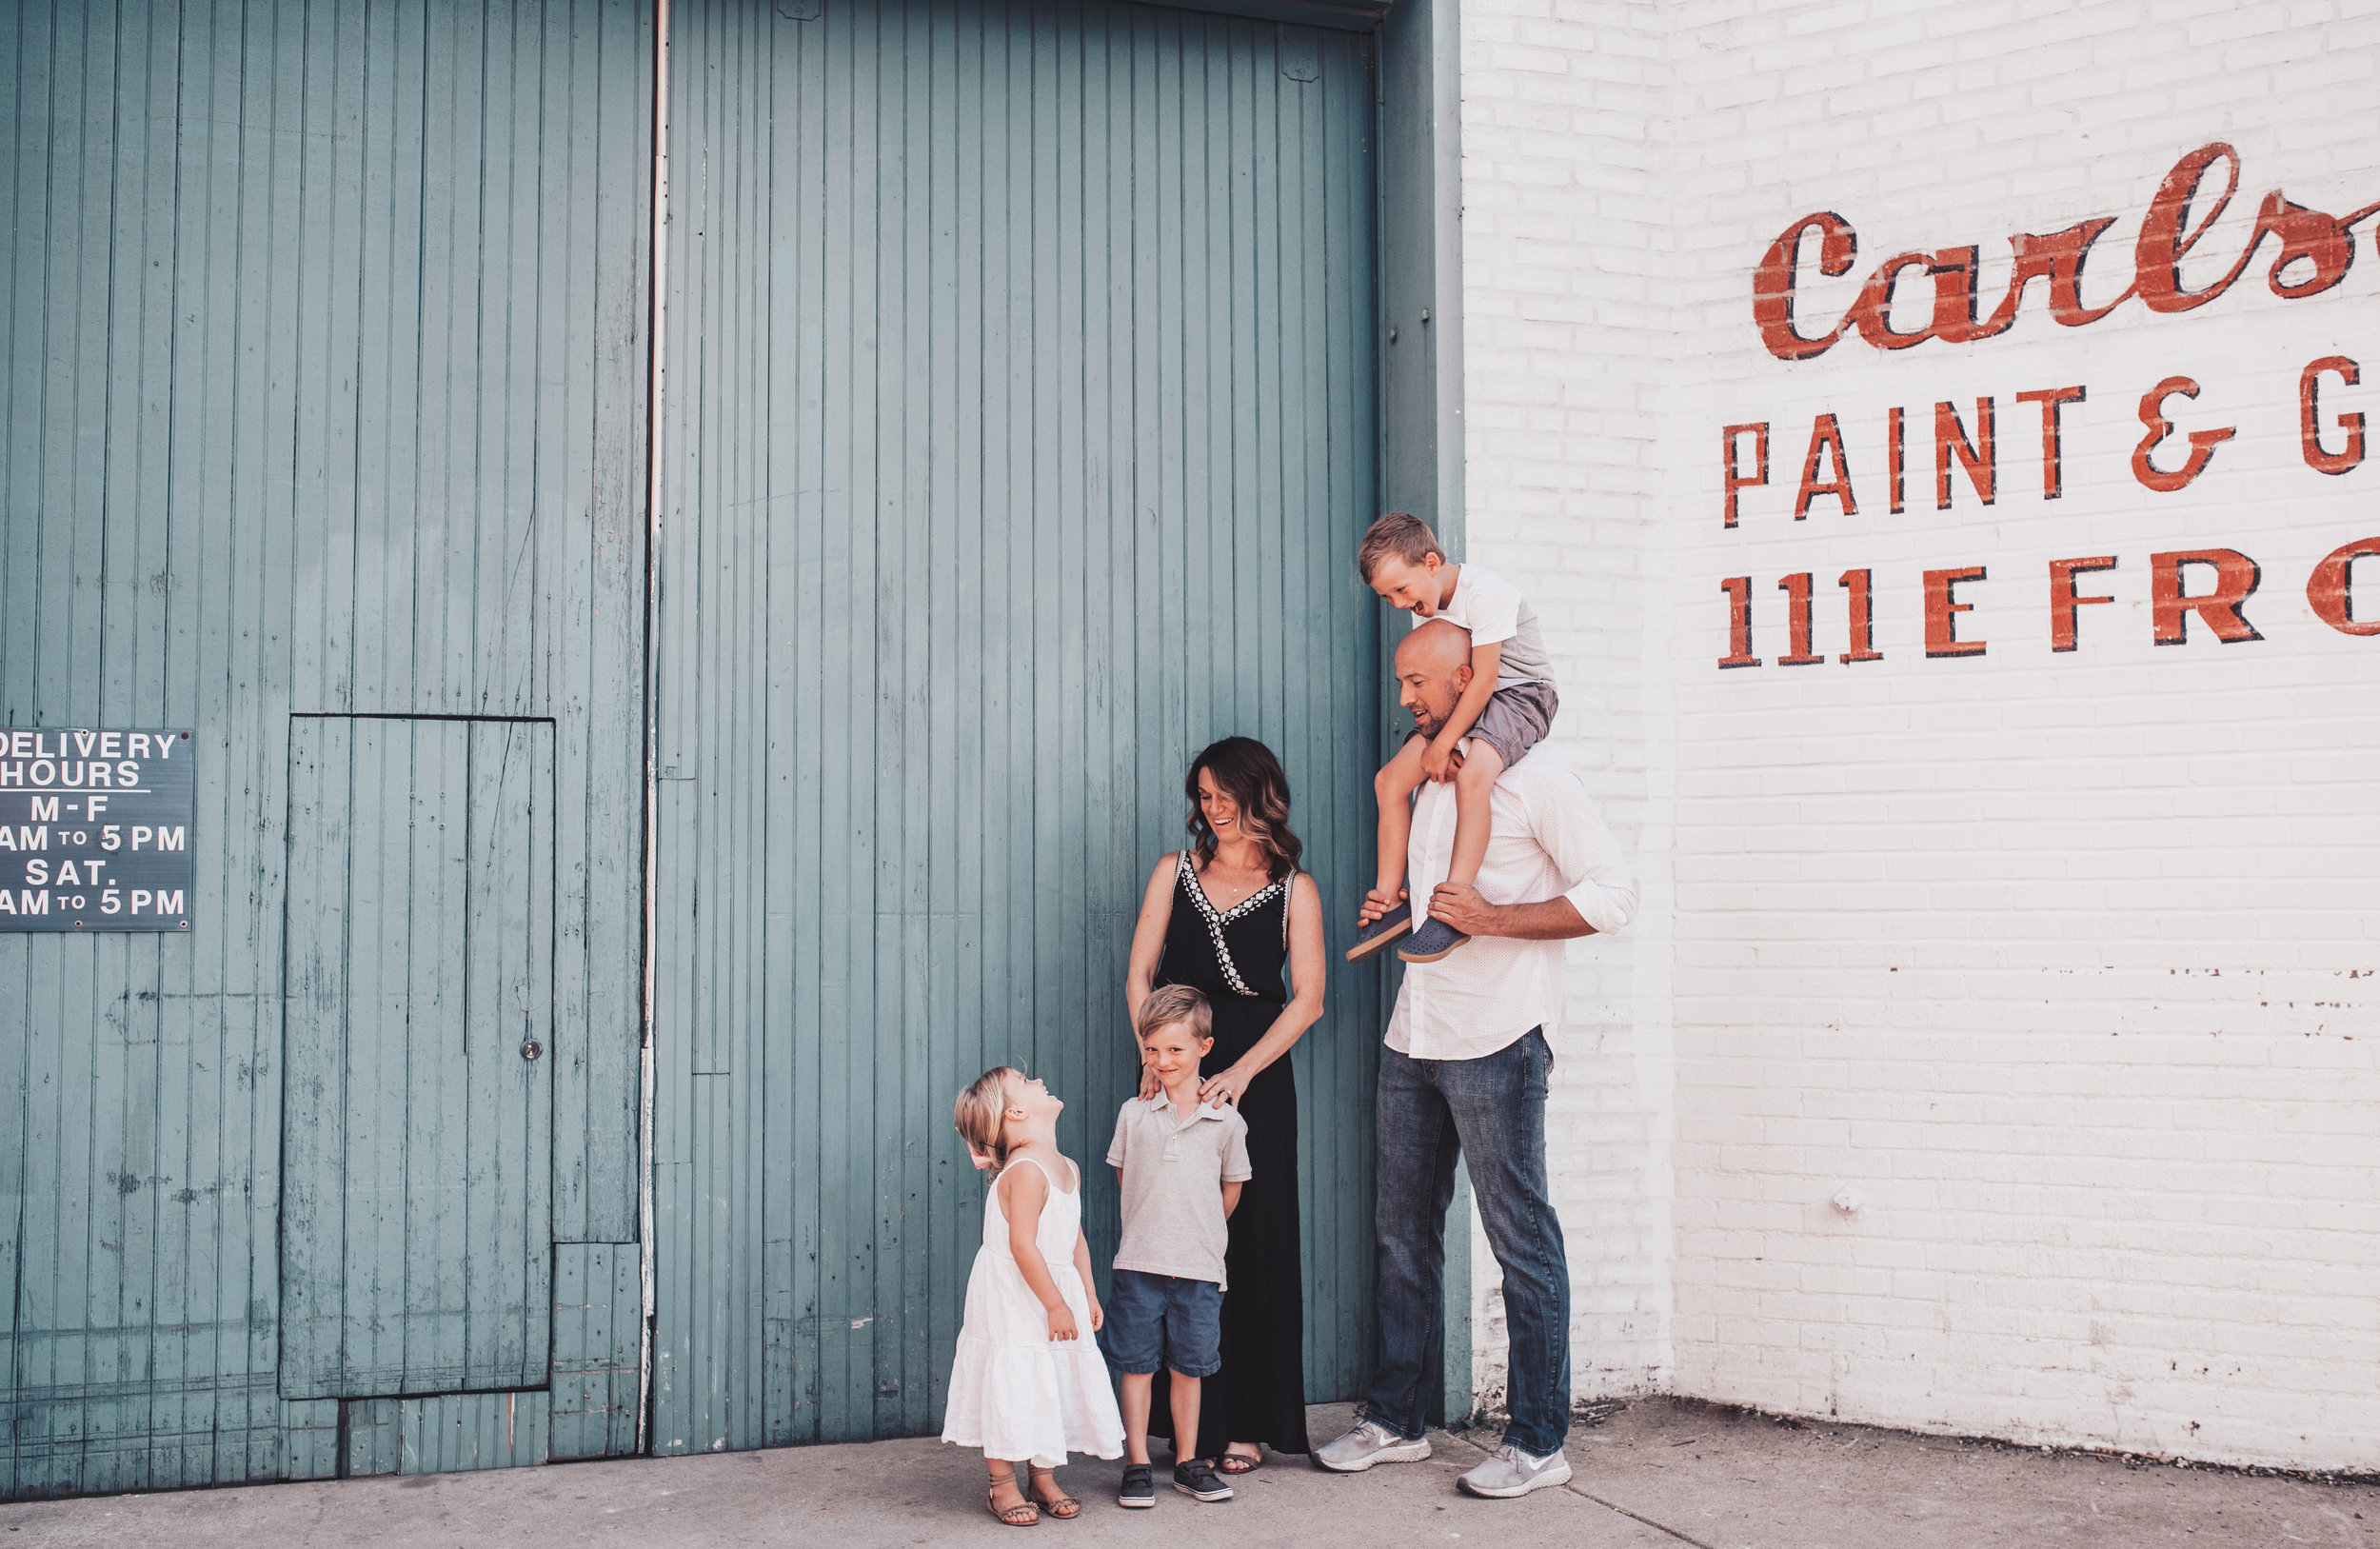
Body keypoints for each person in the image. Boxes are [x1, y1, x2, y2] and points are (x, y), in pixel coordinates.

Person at [1316, 619, 1636, 1499]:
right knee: (1400, 1237)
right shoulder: (1427, 773)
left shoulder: (1538, 778)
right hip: (1413, 1034)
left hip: (1500, 1039)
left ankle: (1537, 1442)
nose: (1407, 699)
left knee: (1520, 1239)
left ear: (1470, 675)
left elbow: (1614, 894)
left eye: (1420, 682)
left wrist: (1493, 919)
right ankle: (1395, 1421)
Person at [1122, 735, 1326, 1472]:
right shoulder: (1172, 873)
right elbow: (1140, 972)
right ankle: (1183, 1431)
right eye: (1202, 796)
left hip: (1257, 1075)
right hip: (1176, 1060)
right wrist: (1155, 1054)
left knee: (1253, 1240)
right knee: (1175, 1237)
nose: (1211, 809)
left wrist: (1239, 1072)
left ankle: (1243, 1422)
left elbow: (1308, 999)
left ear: (1258, 794)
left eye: (1223, 795)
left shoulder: (1296, 888)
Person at [1345, 513, 1561, 967]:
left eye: (1401, 590)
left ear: (1430, 563)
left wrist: (1444, 745)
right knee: (1389, 782)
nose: (1398, 603)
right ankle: (1389, 902)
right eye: (1388, 597)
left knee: (1473, 776)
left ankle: (1453, 906)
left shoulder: (1485, 594)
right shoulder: (1427, 608)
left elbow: (1483, 681)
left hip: (1519, 694)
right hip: (1472, 699)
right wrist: (1436, 743)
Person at [942, 1067, 1126, 1526]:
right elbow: (1022, 1246)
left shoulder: (1068, 1167)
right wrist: (1055, 1304)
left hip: (1052, 1286)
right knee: (1015, 1374)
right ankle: (1002, 1485)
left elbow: (1075, 1238)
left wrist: (1085, 1292)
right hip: (1015, 1294)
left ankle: (1042, 1475)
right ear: (1016, 1111)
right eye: (1024, 1080)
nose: (1038, 1078)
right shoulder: (1024, 1171)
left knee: (1051, 1375)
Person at [1101, 985, 1253, 1508]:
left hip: (1199, 1268)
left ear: (1204, 1049)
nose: (1162, 1061)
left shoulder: (1226, 1121)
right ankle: (1137, 1462)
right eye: (1152, 1049)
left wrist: (1196, 1227)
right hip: (1139, 1264)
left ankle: (1189, 1462)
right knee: (1137, 1364)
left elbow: (1230, 1192)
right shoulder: (1134, 1114)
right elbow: (1126, 1178)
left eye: (1175, 1050)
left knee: (1190, 1367)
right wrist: (1156, 1221)